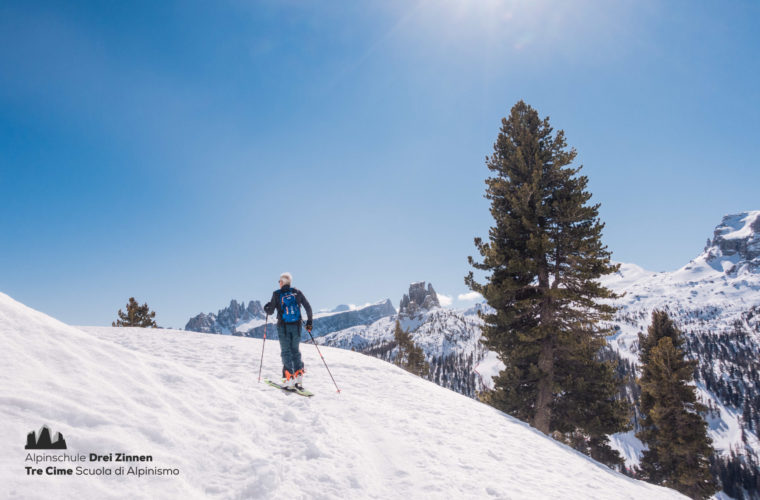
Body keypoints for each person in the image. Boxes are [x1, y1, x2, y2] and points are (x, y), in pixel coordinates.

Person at [264, 272, 313, 390]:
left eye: (279, 281)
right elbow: (308, 307)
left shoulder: (277, 294)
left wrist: (266, 307)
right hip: (297, 326)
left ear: (282, 282)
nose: (279, 283)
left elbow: (270, 311)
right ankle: (298, 375)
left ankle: (289, 378)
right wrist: (309, 323)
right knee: (295, 350)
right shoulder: (297, 292)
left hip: (283, 327)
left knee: (286, 351)